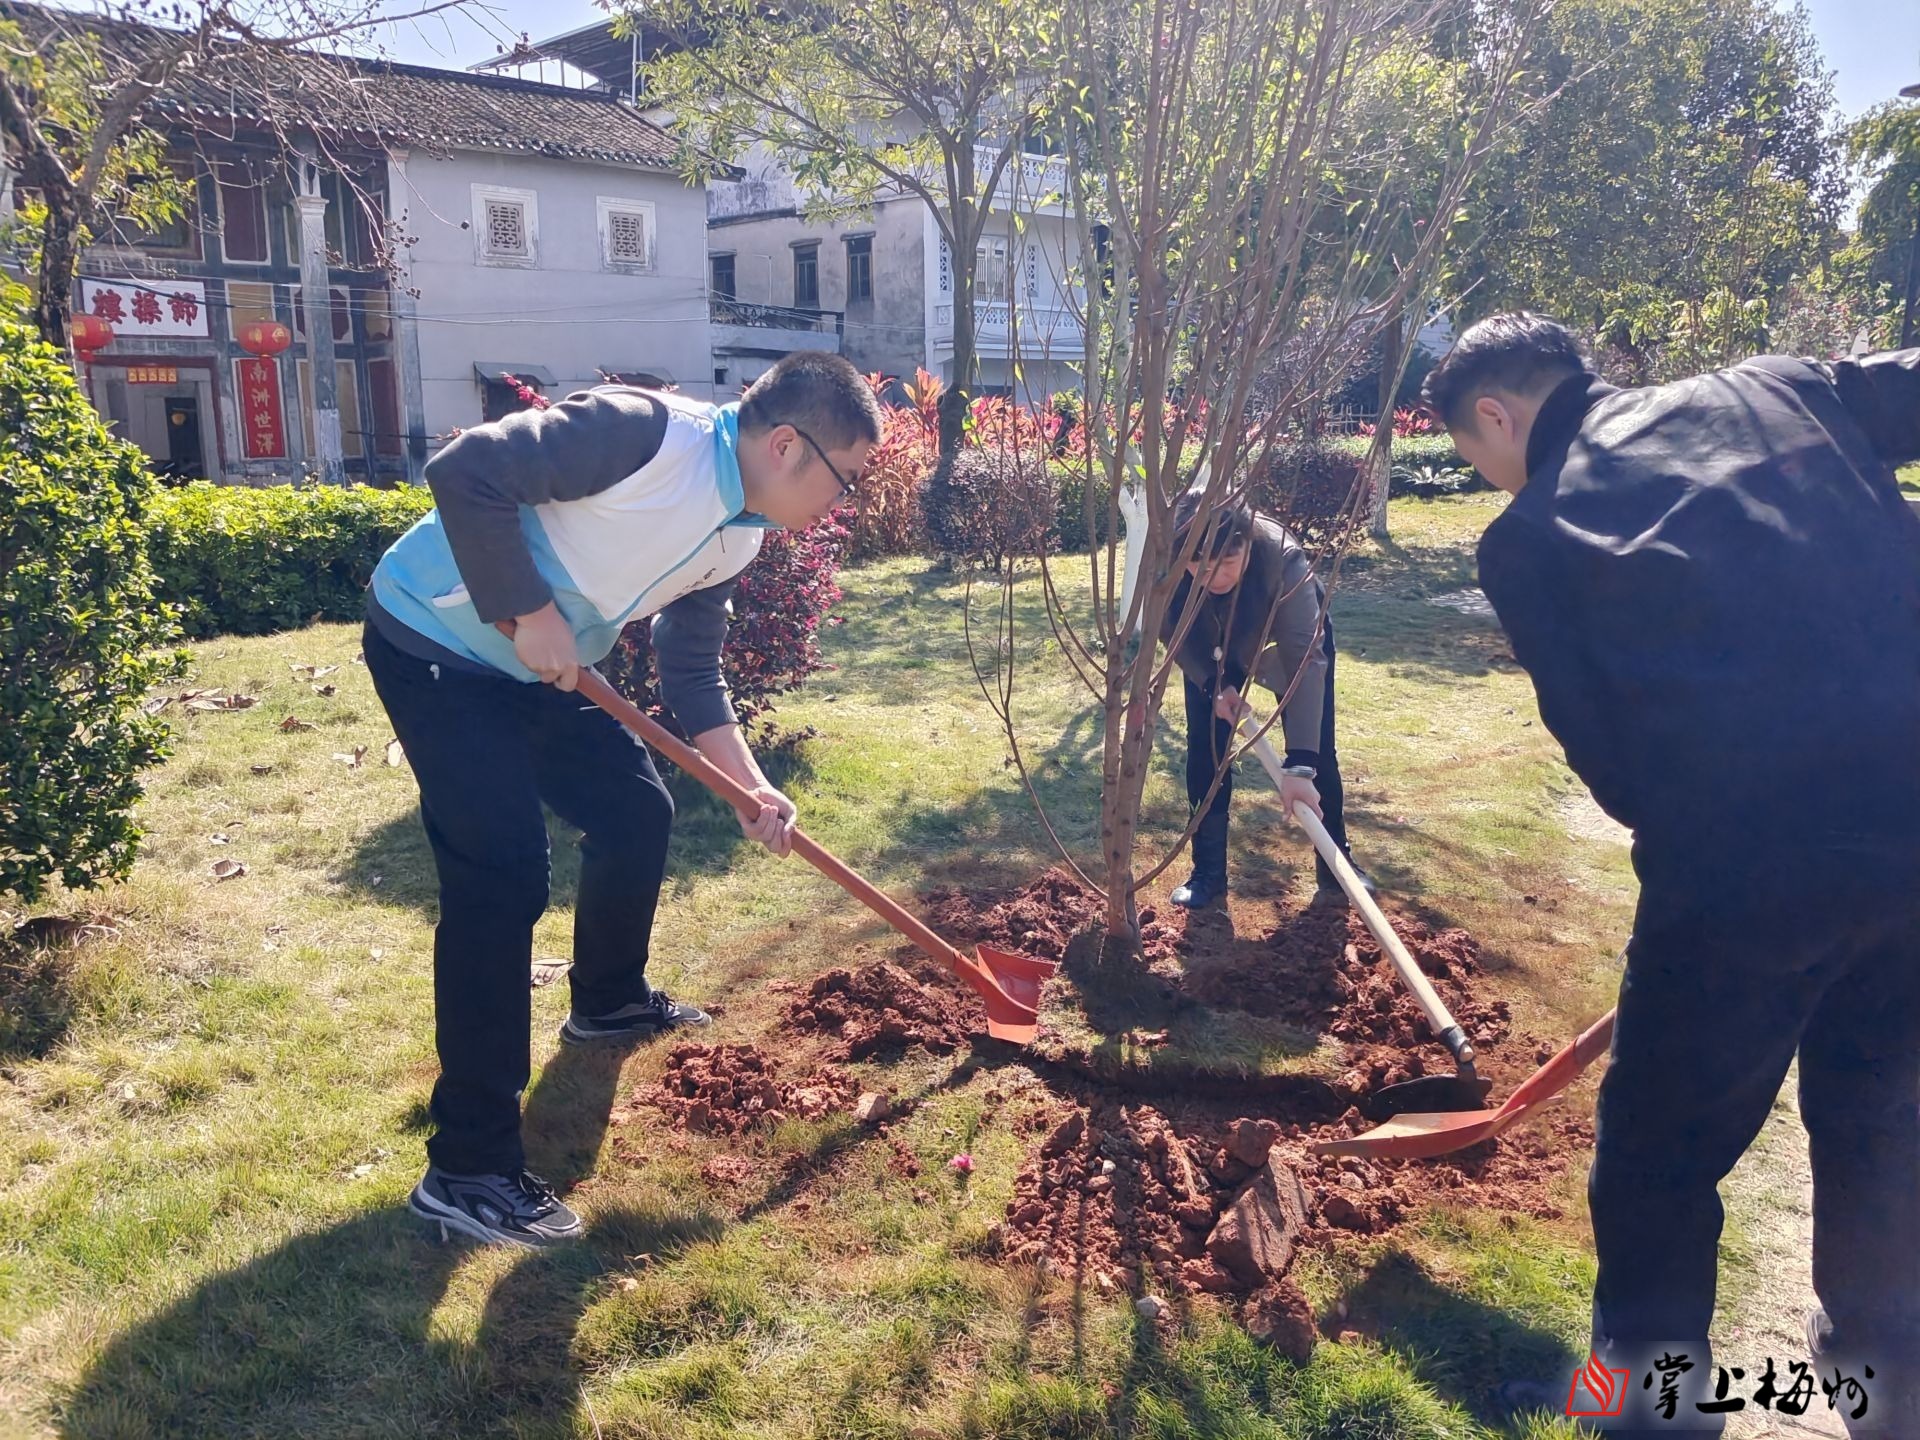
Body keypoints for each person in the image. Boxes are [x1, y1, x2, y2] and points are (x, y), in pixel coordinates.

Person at [1423, 313, 1920, 1436]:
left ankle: (1647, 1415)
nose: (1486, 475)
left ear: (1497, 415)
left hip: (1742, 876)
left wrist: (1710, 867)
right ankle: (1889, 1394)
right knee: (1883, 1124)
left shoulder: (1530, 539)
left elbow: (1611, 760)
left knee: (1654, 1163)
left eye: (1472, 454)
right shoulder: (1781, 389)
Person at [363, 352, 881, 1247]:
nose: (843, 506)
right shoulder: (645, 434)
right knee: (503, 876)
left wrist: (751, 786)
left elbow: (690, 669)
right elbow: (466, 469)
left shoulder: (740, 533)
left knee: (638, 811)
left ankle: (607, 998)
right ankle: (469, 1167)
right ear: (789, 446)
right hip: (435, 645)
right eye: (847, 482)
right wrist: (527, 610)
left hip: (544, 672)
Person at [1159, 489, 1370, 909]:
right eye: (1198, 569)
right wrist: (1211, 685)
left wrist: (1301, 766)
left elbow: (1305, 660)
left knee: (1317, 752)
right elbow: (1167, 628)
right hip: (1210, 644)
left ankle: (1336, 866)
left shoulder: (1283, 562)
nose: (1212, 580)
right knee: (1206, 751)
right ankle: (1208, 874)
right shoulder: (1168, 556)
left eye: (1226, 566)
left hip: (1287, 639)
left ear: (1246, 545)